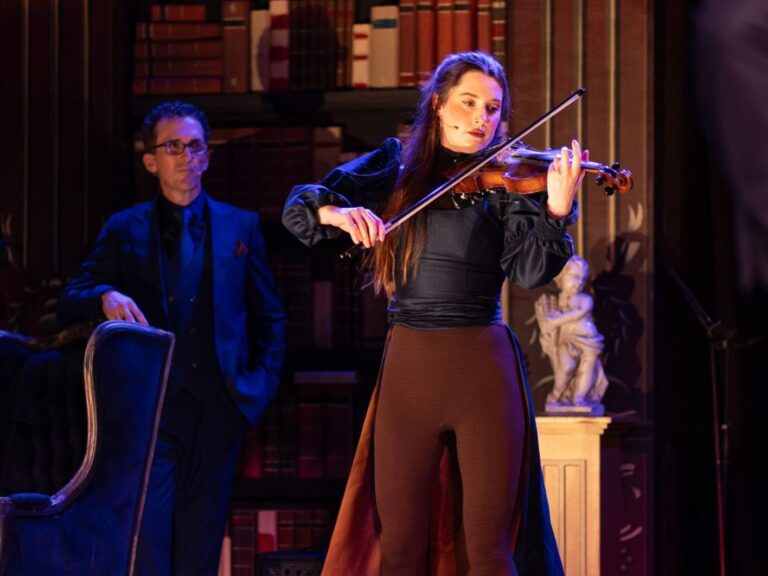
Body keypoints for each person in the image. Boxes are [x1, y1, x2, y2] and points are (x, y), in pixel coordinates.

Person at [283, 52, 585, 576]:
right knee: (400, 547)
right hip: (410, 368)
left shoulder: (508, 180)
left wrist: (556, 211)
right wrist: (336, 212)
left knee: (489, 550)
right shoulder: (395, 164)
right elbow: (300, 209)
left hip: (483, 369)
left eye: (492, 108)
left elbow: (531, 271)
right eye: (468, 102)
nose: (481, 118)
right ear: (439, 104)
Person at [57, 101, 286, 575]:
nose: (186, 156)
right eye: (173, 146)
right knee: (149, 543)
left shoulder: (240, 226)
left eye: (196, 146)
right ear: (150, 161)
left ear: (207, 156)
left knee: (202, 544)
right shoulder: (124, 228)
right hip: (150, 410)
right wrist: (105, 295)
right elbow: (72, 295)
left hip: (219, 407)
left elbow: (270, 318)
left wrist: (254, 393)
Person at [535, 255, 608, 409]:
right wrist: (548, 320)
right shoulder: (555, 301)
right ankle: (555, 395)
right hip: (566, 339)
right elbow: (547, 324)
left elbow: (575, 314)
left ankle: (579, 397)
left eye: (583, 279)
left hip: (589, 341)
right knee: (566, 367)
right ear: (561, 277)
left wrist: (553, 321)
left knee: (586, 368)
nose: (579, 282)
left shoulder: (585, 300)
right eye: (575, 277)